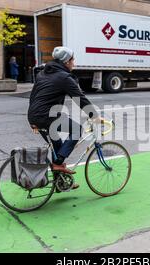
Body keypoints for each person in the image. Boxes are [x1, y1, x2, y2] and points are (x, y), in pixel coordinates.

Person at [28, 46, 100, 181]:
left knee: (58, 145)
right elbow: (79, 98)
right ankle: (59, 163)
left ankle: (62, 182)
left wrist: (33, 121)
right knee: (77, 129)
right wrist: (94, 116)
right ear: (66, 61)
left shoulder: (42, 73)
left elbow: (33, 96)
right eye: (73, 60)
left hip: (34, 115)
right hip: (46, 116)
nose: (74, 62)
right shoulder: (64, 77)